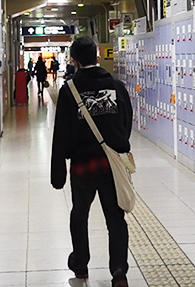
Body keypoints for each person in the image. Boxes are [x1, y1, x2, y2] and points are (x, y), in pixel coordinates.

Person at [51, 36, 133, 287]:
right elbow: (126, 121)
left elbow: (61, 132)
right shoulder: (117, 86)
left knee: (79, 214)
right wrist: (117, 146)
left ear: (74, 61)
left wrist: (58, 171)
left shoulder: (70, 90)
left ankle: (81, 264)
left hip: (82, 165)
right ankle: (118, 270)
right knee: (115, 218)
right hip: (110, 164)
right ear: (97, 57)